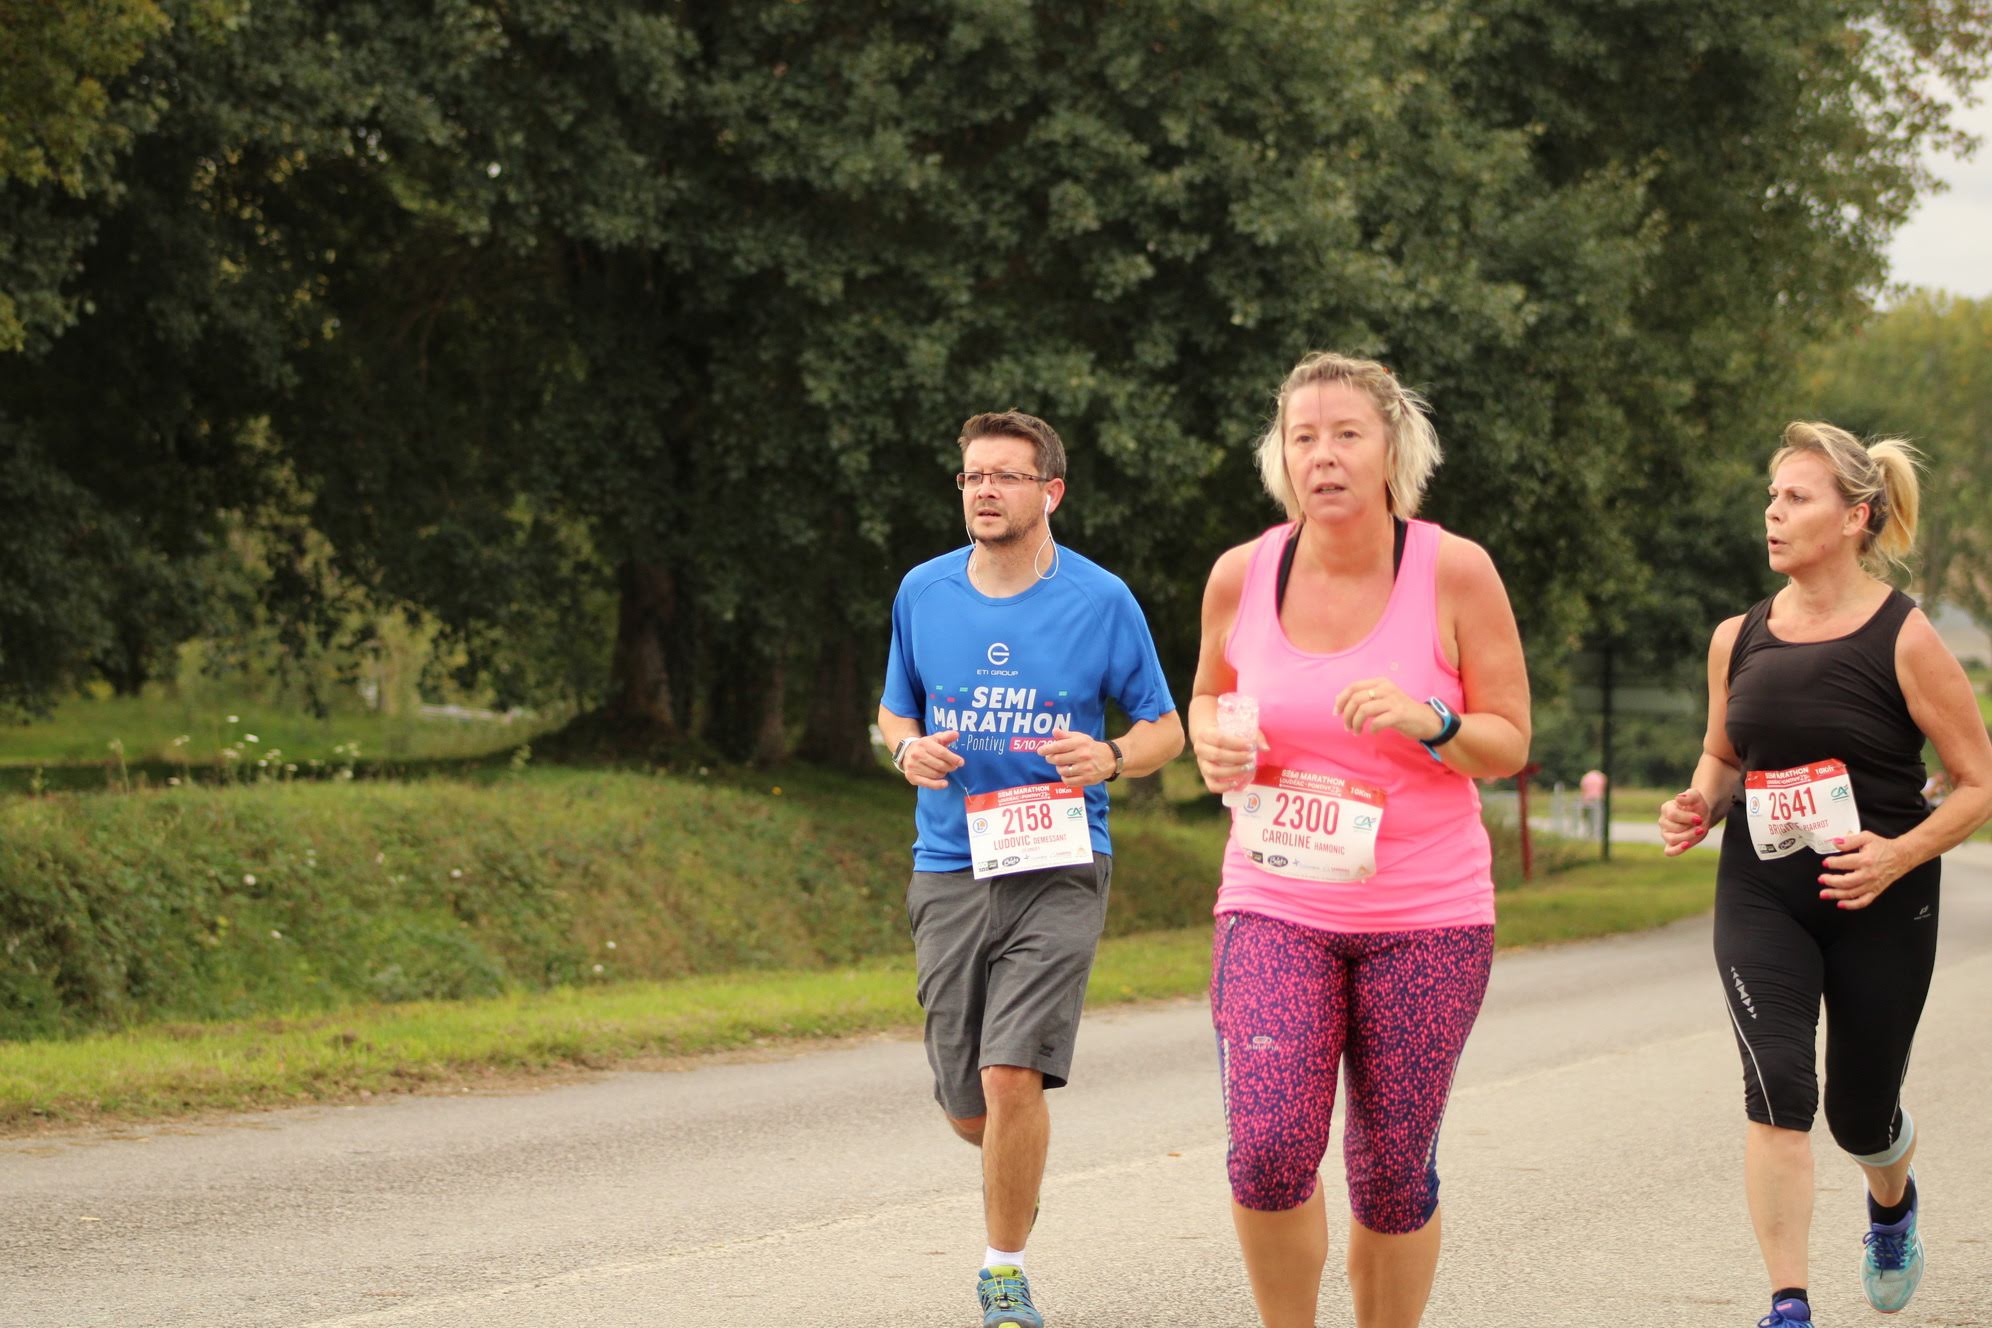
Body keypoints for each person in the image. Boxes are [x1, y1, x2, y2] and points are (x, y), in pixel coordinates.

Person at [1187, 352, 1531, 1328]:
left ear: (1392, 450)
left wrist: (1432, 721)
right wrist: (1211, 738)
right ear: (1281, 456)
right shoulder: (1241, 574)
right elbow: (1208, 694)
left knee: (1390, 1171)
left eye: (1347, 434)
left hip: (1427, 916)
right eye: (1303, 437)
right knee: (1266, 1149)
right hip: (1274, 901)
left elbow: (1509, 739)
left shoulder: (1454, 570)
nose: (1324, 455)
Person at [1657, 422, 1992, 1328]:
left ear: (1854, 518)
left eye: (1795, 498)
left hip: (1881, 897)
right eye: (1771, 496)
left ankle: (1892, 1205)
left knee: (1859, 1115)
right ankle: (1789, 1305)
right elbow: (1723, 756)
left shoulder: (1906, 637)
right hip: (1763, 892)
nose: (1772, 512)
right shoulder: (1737, 637)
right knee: (1777, 1087)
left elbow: (1977, 784)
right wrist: (1698, 803)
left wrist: (1899, 854)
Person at [877, 409, 1185, 1328]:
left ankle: (1002, 1272)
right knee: (969, 1106)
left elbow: (1165, 727)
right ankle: (1015, 1173)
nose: (984, 490)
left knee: (1013, 1075)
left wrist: (1114, 757)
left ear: (1049, 492)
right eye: (973, 476)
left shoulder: (1101, 598)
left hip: (1060, 861)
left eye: (1005, 476)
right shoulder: (923, 591)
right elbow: (895, 710)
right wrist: (906, 750)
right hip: (950, 863)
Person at [1579, 767, 1607, 836]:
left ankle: (1590, 830)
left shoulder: (1586, 777)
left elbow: (1583, 789)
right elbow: (1604, 787)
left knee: (1589, 817)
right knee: (1599, 816)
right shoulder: (1601, 776)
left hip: (1588, 799)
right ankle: (1599, 831)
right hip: (1599, 798)